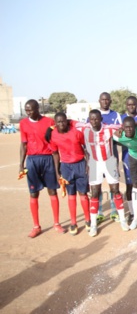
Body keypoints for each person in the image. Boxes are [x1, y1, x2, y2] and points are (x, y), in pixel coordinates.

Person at [19, 100, 65, 238]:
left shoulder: (49, 122)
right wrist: (21, 165)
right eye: (26, 110)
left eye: (31, 109)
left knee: (52, 191)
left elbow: (56, 140)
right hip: (32, 161)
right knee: (33, 193)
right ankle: (36, 226)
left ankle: (56, 223)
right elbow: (23, 145)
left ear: (37, 108)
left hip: (48, 159)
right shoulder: (23, 123)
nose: (28, 112)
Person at [82, 110, 129, 236]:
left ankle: (123, 220)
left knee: (115, 190)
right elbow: (69, 123)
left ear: (101, 118)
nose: (94, 121)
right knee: (95, 192)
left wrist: (122, 129)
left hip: (109, 162)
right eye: (91, 119)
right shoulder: (85, 129)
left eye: (96, 119)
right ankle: (93, 225)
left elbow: (126, 124)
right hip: (94, 163)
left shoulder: (109, 129)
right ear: (89, 120)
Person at [48, 113, 91, 236]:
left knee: (83, 193)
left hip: (80, 164)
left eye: (63, 121)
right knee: (71, 195)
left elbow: (86, 147)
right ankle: (73, 222)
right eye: (58, 122)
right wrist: (57, 172)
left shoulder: (76, 132)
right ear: (55, 123)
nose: (61, 124)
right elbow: (55, 154)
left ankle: (88, 220)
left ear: (67, 121)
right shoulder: (54, 135)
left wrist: (88, 164)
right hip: (66, 167)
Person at [90, 92, 122, 223]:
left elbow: (121, 130)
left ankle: (114, 211)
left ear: (110, 101)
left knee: (113, 184)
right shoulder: (93, 115)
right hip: (95, 155)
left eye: (107, 100)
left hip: (111, 152)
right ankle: (99, 212)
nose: (105, 102)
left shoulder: (115, 115)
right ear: (99, 101)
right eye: (102, 100)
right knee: (96, 186)